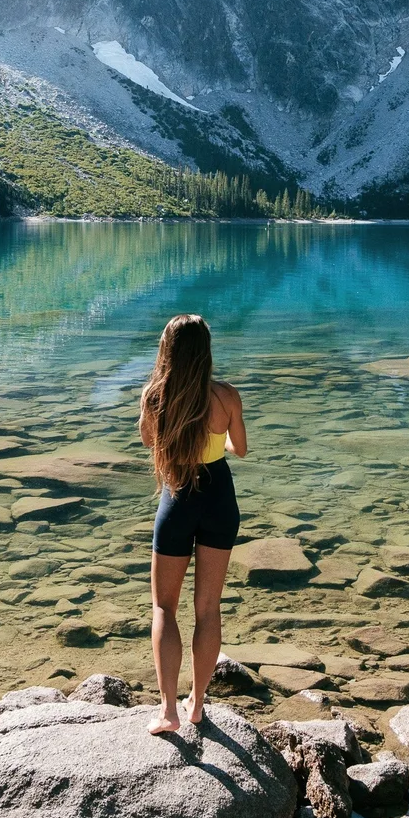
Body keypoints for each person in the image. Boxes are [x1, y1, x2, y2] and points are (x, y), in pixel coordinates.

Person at [138, 313, 247, 734]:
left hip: (178, 495)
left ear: (167, 352)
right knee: (208, 607)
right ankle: (198, 704)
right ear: (206, 351)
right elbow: (241, 449)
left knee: (165, 606)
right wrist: (220, 434)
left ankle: (168, 710)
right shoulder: (226, 395)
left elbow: (150, 441)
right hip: (220, 498)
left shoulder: (155, 397)